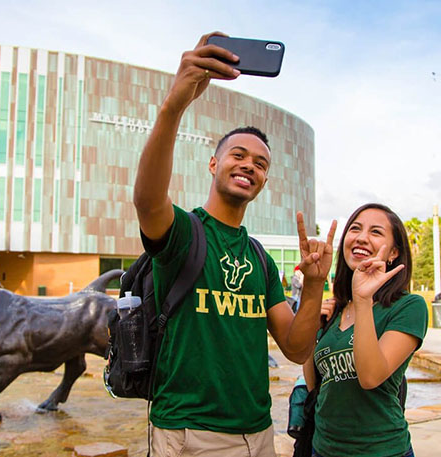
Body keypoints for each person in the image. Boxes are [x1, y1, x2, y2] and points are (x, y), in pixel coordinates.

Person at [133, 32, 335, 456]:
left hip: (256, 435)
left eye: (260, 163)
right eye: (238, 155)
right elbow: (148, 200)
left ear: (264, 180)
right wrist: (175, 103)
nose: (249, 165)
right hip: (185, 435)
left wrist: (315, 284)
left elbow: (296, 348)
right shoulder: (185, 233)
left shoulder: (259, 259)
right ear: (214, 163)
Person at [297, 203, 428, 457]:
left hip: (382, 451)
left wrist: (363, 299)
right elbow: (315, 383)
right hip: (322, 448)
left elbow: (370, 377)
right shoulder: (336, 309)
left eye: (376, 232)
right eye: (355, 229)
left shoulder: (409, 307)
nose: (361, 237)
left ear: (393, 253)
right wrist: (314, 324)